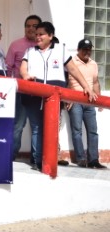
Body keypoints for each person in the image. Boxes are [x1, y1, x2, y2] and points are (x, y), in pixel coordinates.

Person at [20, 21, 97, 171]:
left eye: (41, 34)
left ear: (50, 35)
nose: (38, 37)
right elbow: (23, 68)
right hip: (33, 96)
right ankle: (38, 161)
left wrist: (86, 87)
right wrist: (26, 76)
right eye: (36, 34)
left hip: (54, 99)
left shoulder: (61, 50)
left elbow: (73, 70)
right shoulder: (30, 51)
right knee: (36, 128)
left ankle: (49, 158)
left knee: (51, 128)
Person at [5, 14, 41, 162]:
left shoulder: (44, 47)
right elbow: (8, 68)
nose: (30, 29)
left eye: (34, 26)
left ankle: (36, 158)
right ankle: (11, 157)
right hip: (20, 92)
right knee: (18, 125)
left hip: (39, 93)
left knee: (37, 126)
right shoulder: (16, 45)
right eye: (28, 26)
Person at [67, 39, 106, 169]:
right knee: (77, 131)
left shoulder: (94, 64)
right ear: (78, 50)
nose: (87, 52)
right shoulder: (71, 62)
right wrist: (68, 98)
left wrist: (100, 100)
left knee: (93, 131)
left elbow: (95, 82)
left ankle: (93, 160)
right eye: (84, 49)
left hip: (90, 102)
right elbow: (66, 81)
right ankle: (81, 159)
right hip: (75, 101)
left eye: (89, 49)